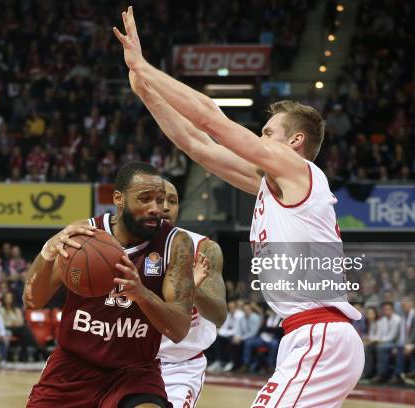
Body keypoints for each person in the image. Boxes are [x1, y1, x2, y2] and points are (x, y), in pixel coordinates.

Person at [114, 8, 363, 406]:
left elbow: (213, 120)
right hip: (305, 335)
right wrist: (147, 94)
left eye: (267, 133)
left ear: (296, 141)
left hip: (321, 333)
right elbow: (197, 145)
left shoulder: (297, 169)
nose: (260, 140)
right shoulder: (273, 186)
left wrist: (144, 68)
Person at [24, 161, 194, 408]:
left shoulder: (176, 244)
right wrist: (47, 253)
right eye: (145, 199)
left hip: (134, 373)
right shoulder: (83, 236)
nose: (156, 208)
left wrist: (142, 294)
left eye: (160, 200)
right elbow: (32, 300)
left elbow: (179, 329)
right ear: (118, 198)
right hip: (73, 368)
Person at [158, 179, 227, 407]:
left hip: (179, 367)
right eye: (159, 200)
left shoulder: (203, 248)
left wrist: (191, 288)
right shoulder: (119, 246)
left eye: (173, 201)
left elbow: (218, 315)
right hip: (129, 361)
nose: (166, 206)